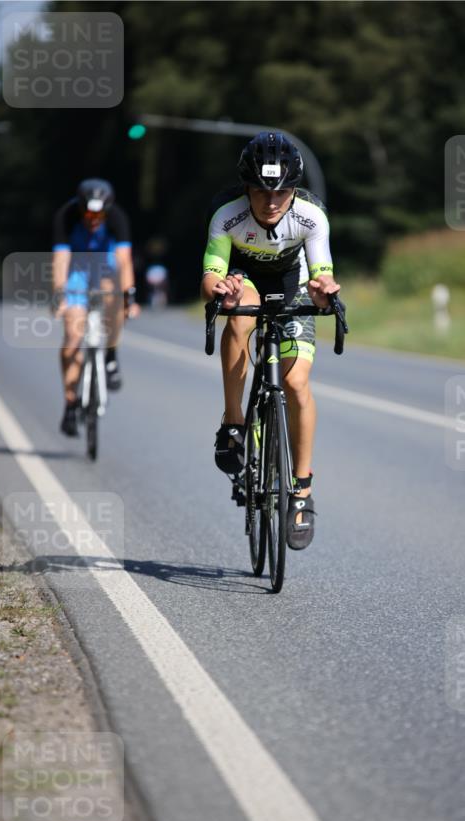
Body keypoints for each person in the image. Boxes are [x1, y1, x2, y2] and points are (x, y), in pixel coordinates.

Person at [201, 131, 340, 550]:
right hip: (242, 281)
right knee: (237, 314)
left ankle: (301, 491)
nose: (272, 200)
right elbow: (210, 275)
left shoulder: (312, 216)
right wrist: (218, 290)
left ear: (295, 189)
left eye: (282, 191)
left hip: (294, 284)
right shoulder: (227, 216)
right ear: (248, 188)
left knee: (297, 384)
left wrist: (323, 291)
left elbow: (321, 272)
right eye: (262, 190)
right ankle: (234, 423)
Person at [52, 179, 139, 436]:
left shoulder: (117, 218)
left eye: (98, 214)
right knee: (73, 338)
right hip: (76, 270)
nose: (93, 219)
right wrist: (60, 295)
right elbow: (60, 259)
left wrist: (129, 297)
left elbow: (124, 260)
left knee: (115, 301)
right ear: (80, 208)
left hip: (105, 268)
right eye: (88, 213)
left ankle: (110, 354)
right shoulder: (66, 216)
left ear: (107, 210)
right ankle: (70, 401)